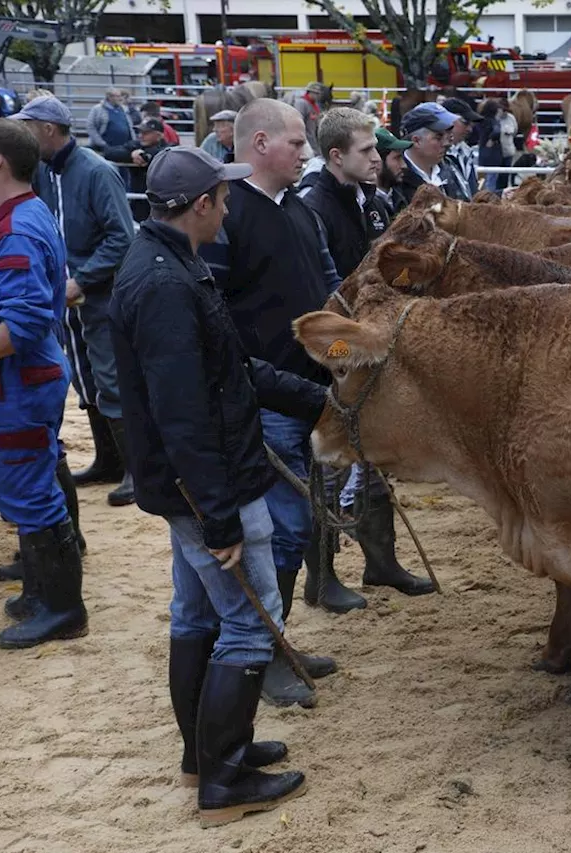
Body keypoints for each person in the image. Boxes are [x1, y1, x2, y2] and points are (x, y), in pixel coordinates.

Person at [110, 146, 318, 825]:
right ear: (201, 205)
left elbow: (229, 366)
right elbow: (183, 415)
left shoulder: (168, 261)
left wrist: (314, 397)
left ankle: (205, 753)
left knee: (198, 614)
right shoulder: (168, 283)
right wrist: (222, 516)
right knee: (251, 624)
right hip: (211, 485)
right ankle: (223, 782)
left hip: (191, 484)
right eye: (223, 199)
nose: (229, 208)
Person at [198, 98, 344, 707]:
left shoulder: (303, 212)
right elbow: (215, 317)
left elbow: (327, 284)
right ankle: (268, 656)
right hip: (267, 399)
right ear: (258, 144)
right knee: (283, 531)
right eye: (295, 144)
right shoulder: (228, 221)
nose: (305, 154)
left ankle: (278, 645)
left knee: (297, 524)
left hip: (311, 391)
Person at [0, 118, 86, 650]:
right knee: (30, 487)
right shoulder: (24, 211)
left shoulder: (15, 228)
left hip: (15, 382)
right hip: (19, 380)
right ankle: (41, 593)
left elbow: (22, 325)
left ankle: (63, 608)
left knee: (31, 494)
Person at [18, 96, 137, 509]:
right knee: (84, 378)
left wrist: (81, 278)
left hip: (100, 296)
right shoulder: (45, 173)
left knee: (110, 378)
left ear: (48, 129)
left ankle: (135, 469)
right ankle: (108, 459)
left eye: (28, 126)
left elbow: (122, 236)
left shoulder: (96, 171)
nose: (23, 134)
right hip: (70, 298)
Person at [298, 107, 386, 280]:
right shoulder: (313, 212)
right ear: (337, 156)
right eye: (366, 150)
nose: (376, 157)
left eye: (375, 148)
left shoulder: (374, 203)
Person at [106, 117, 176, 221]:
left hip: (161, 203)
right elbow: (109, 152)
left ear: (158, 135)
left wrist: (146, 155)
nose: (141, 135)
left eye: (146, 133)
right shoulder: (136, 146)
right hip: (139, 203)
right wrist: (131, 155)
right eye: (140, 132)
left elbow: (165, 153)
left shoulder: (170, 148)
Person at [395, 102, 463, 201]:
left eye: (445, 135)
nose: (446, 143)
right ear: (416, 141)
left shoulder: (449, 169)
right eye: (438, 137)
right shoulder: (398, 177)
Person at [442, 96, 482, 199]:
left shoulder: (466, 153)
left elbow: (472, 194)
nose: (470, 129)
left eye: (471, 125)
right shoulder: (437, 155)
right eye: (465, 122)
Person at [373, 127, 413, 215]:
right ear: (377, 161)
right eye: (397, 158)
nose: (404, 165)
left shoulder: (404, 196)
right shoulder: (362, 203)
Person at [86, 89, 134, 153]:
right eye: (118, 96)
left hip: (123, 147)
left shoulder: (124, 109)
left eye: (120, 96)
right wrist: (101, 143)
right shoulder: (97, 109)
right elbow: (90, 127)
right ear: (109, 97)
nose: (120, 98)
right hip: (105, 148)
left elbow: (130, 126)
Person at [293, 81, 328, 155]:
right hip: (306, 138)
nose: (318, 96)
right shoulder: (301, 103)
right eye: (316, 93)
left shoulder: (315, 104)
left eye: (319, 94)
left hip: (313, 137)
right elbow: (298, 119)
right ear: (310, 92)